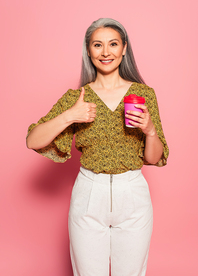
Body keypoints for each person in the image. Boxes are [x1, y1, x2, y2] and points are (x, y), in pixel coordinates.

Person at [26, 18, 169, 276]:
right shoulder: (77, 98)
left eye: (113, 44)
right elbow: (33, 140)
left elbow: (153, 157)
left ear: (124, 48)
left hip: (133, 193)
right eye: (97, 45)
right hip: (89, 194)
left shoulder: (143, 94)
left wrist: (150, 131)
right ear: (88, 50)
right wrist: (71, 115)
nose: (106, 52)